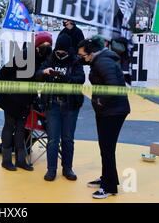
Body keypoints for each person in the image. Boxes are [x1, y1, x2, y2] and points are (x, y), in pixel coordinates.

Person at [78, 37, 131, 199]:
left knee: (107, 148)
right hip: (107, 110)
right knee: (105, 147)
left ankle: (109, 187)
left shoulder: (103, 62)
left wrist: (101, 101)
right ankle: (107, 178)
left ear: (91, 52)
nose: (82, 58)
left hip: (113, 111)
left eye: (83, 55)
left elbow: (113, 86)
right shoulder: (99, 60)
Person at [0, 31, 53, 172]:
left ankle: (21, 160)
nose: (47, 47)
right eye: (44, 44)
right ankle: (6, 160)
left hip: (25, 98)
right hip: (11, 96)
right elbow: (5, 70)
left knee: (22, 128)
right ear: (37, 45)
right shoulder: (26, 55)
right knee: (9, 126)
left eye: (49, 45)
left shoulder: (44, 58)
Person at [35, 34, 85, 182]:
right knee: (52, 139)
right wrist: (44, 73)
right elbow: (37, 75)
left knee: (68, 139)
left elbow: (81, 79)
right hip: (52, 104)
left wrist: (66, 79)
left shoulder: (75, 61)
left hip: (70, 105)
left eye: (64, 52)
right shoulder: (50, 58)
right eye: (59, 51)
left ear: (69, 50)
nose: (61, 54)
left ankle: (67, 168)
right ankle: (51, 170)